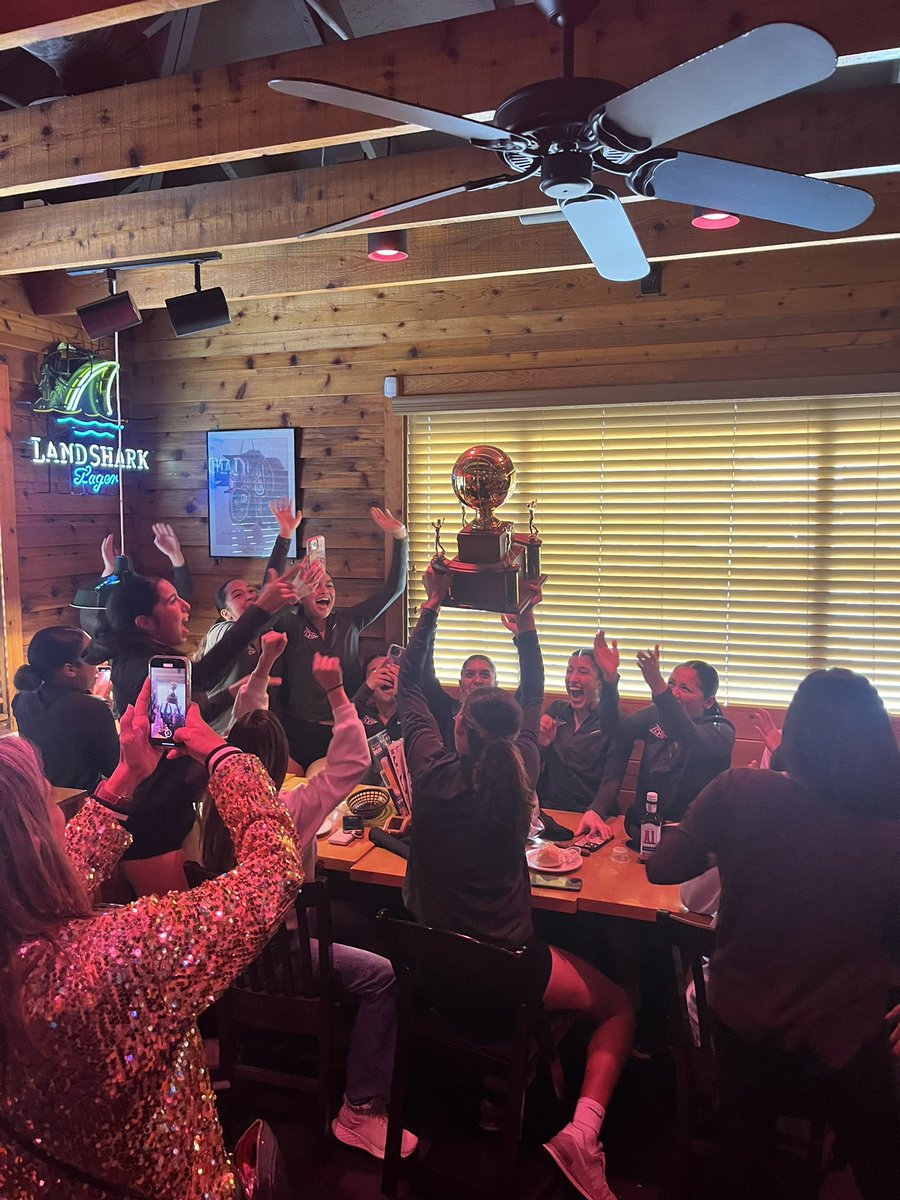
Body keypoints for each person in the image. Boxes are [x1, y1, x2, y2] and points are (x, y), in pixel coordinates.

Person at [0, 678, 304, 1200]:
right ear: (32, 840)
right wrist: (223, 754)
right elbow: (273, 872)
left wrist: (127, 776)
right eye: (46, 792)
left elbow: (47, 879)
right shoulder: (113, 961)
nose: (59, 802)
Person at [399, 568, 634, 1200]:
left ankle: (480, 1101)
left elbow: (411, 692)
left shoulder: (429, 771)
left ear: (458, 730)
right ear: (512, 741)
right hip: (508, 977)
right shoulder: (524, 764)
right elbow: (532, 699)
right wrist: (526, 627)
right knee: (619, 1005)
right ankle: (581, 1137)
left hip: (436, 978)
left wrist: (432, 608)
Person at [647, 668, 900, 1200]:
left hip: (745, 1042)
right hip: (844, 1055)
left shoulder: (742, 793)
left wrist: (732, 842)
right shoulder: (889, 831)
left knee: (737, 1159)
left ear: (798, 736)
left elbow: (662, 867)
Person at [201, 654, 417, 1162]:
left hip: (228, 958)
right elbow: (351, 759)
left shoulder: (213, 799)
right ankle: (361, 1109)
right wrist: (339, 691)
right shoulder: (291, 807)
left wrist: (263, 668)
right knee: (382, 974)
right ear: (278, 762)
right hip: (281, 958)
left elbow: (243, 728)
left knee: (353, 926)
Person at [273, 505, 408, 769]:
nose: (324, 590)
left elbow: (395, 589)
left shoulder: (348, 621)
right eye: (315, 585)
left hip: (343, 731)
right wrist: (285, 535)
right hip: (298, 732)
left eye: (329, 585)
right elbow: (272, 591)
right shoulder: (289, 622)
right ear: (300, 593)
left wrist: (400, 537)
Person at [578, 645, 734, 841]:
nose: (674, 693)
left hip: (691, 837)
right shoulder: (655, 714)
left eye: (685, 688)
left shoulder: (721, 730)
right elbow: (614, 729)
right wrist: (609, 682)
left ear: (708, 702)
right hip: (643, 829)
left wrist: (660, 688)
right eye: (671, 684)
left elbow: (690, 736)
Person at [200, 497, 304, 733]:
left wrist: (286, 534)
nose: (249, 596)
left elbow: (269, 593)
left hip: (262, 732)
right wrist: (293, 595)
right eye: (238, 595)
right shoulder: (221, 632)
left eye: (251, 591)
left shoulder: (268, 633)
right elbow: (258, 616)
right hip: (222, 734)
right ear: (225, 613)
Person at [11, 626, 119, 793]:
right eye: (89, 655)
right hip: (80, 806)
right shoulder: (93, 709)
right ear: (69, 670)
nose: (99, 663)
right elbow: (113, 768)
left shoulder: (22, 699)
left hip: (41, 799)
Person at [537, 635, 621, 830]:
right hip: (552, 812)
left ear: (600, 682)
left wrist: (595, 812)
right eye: (569, 671)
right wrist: (541, 744)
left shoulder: (612, 723)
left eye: (583, 672)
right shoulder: (556, 710)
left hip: (591, 815)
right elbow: (532, 763)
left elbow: (612, 779)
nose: (573, 678)